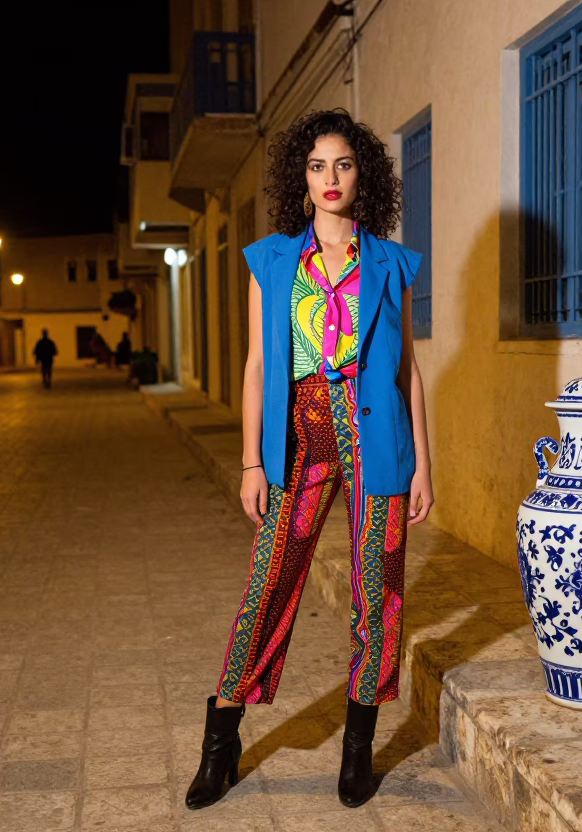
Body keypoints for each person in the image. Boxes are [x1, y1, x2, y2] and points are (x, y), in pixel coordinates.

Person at [186, 109, 433, 812]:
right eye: (319, 165)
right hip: (300, 439)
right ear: (303, 173)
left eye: (345, 165)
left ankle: (359, 749)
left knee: (376, 595)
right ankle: (221, 737)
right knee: (268, 583)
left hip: (378, 438)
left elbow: (408, 371)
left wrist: (423, 464)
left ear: (365, 177)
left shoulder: (390, 263)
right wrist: (248, 463)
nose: (331, 178)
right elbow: (258, 364)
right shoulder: (271, 260)